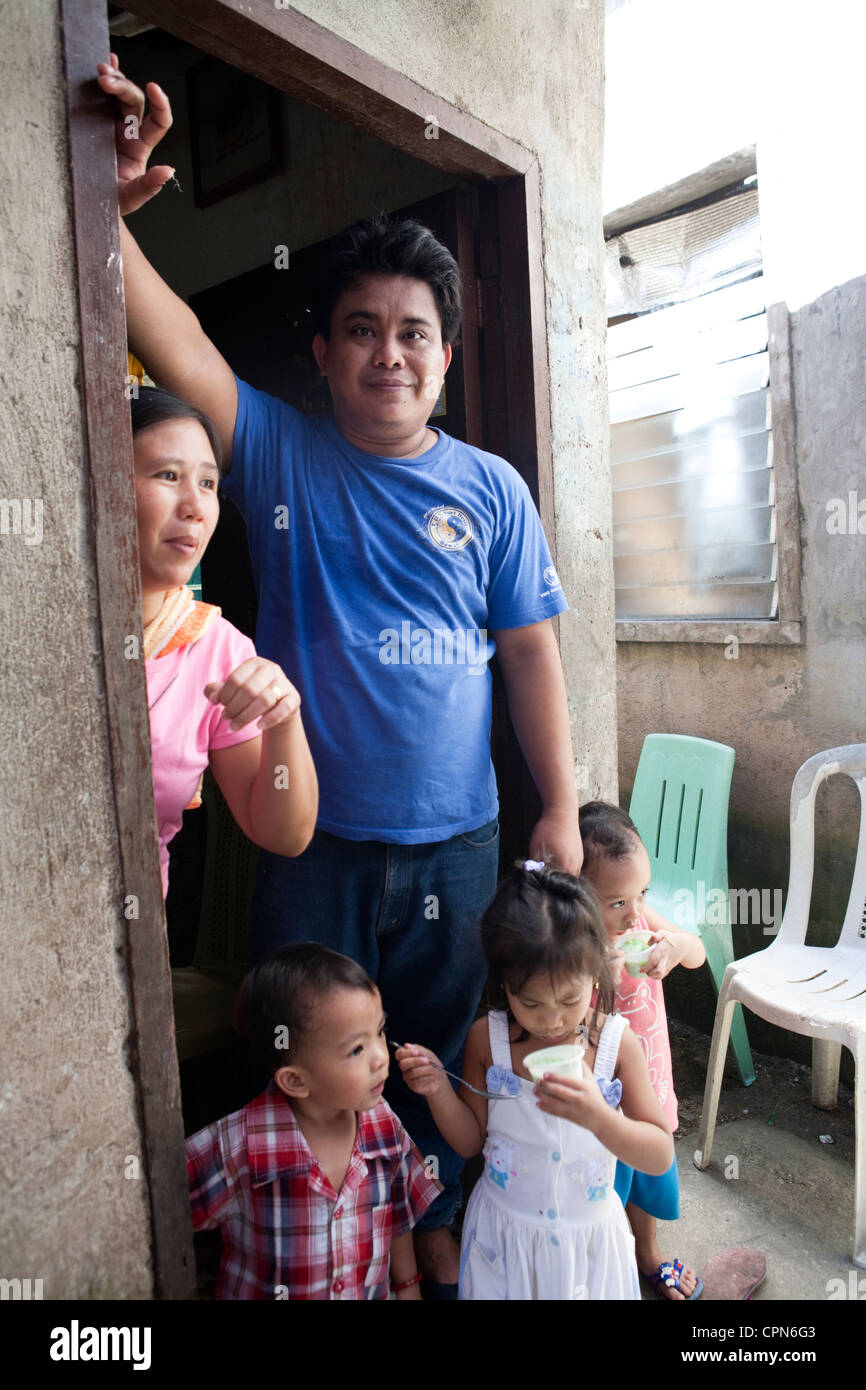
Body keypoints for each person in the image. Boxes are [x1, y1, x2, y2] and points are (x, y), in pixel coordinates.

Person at [99, 57, 583, 1291]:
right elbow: (184, 344)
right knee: (308, 1061)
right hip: (309, 848)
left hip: (460, 840)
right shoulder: (275, 452)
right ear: (321, 349)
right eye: (360, 330)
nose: (388, 354)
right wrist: (103, 205)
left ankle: (429, 1249)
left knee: (431, 1061)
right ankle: (308, 1251)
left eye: (412, 332)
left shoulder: (492, 491)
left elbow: (528, 648)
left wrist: (557, 802)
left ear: (445, 352)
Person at [397, 862, 673, 1300]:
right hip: (506, 1244)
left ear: (597, 973)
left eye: (570, 999)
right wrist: (437, 1091)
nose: (552, 1021)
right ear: (504, 985)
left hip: (590, 1247)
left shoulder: (616, 1045)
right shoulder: (488, 1041)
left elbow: (659, 1155)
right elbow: (472, 1141)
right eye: (531, 1002)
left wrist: (600, 1118)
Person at [132, 387, 317, 896]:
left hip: (128, 937)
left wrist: (284, 718)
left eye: (209, 483)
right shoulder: (36, 619)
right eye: (168, 476)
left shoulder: (216, 650)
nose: (195, 506)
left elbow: (283, 833)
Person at [186, 943, 442, 1299]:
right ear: (296, 1081)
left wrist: (407, 1287)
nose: (382, 1056)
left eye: (380, 1031)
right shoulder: (238, 1145)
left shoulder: (383, 1124)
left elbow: (396, 1213)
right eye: (356, 1049)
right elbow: (162, 1214)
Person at [579, 801, 706, 1301]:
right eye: (616, 903)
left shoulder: (638, 921)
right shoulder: (568, 948)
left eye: (642, 895)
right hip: (602, 1092)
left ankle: (647, 1250)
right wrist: (596, 981)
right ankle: (602, 1259)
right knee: (607, 1174)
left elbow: (695, 952)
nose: (634, 914)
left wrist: (675, 947)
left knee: (651, 1165)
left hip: (648, 1081)